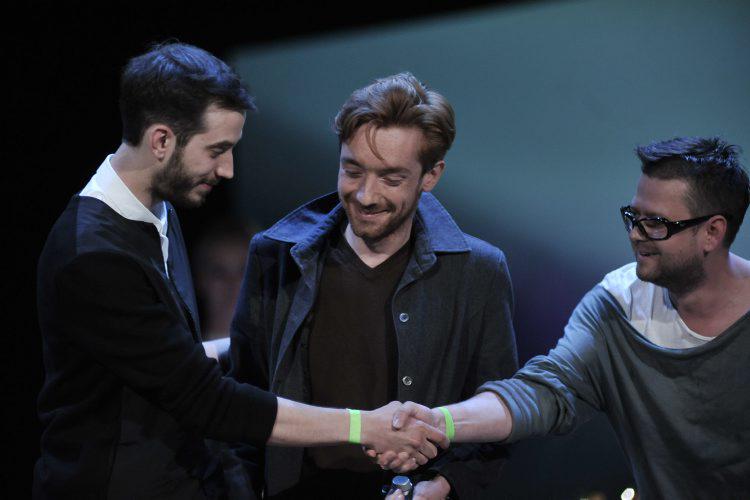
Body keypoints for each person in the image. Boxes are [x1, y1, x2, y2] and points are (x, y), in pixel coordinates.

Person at [34, 43, 446, 500]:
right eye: (217, 150)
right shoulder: (94, 256)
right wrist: (364, 426)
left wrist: (292, 338)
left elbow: (169, 354)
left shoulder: (156, 213)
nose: (227, 169)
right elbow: (208, 400)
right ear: (162, 140)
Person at [385, 137, 750, 498]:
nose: (636, 234)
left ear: (712, 232)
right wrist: (440, 421)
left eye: (655, 223)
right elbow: (544, 391)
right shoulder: (616, 306)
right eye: (633, 217)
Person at [229, 72, 518, 499]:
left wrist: (442, 486)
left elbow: (499, 414)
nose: (366, 195)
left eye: (391, 178)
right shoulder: (276, 255)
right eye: (353, 170)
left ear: (431, 175)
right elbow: (240, 404)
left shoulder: (478, 272)